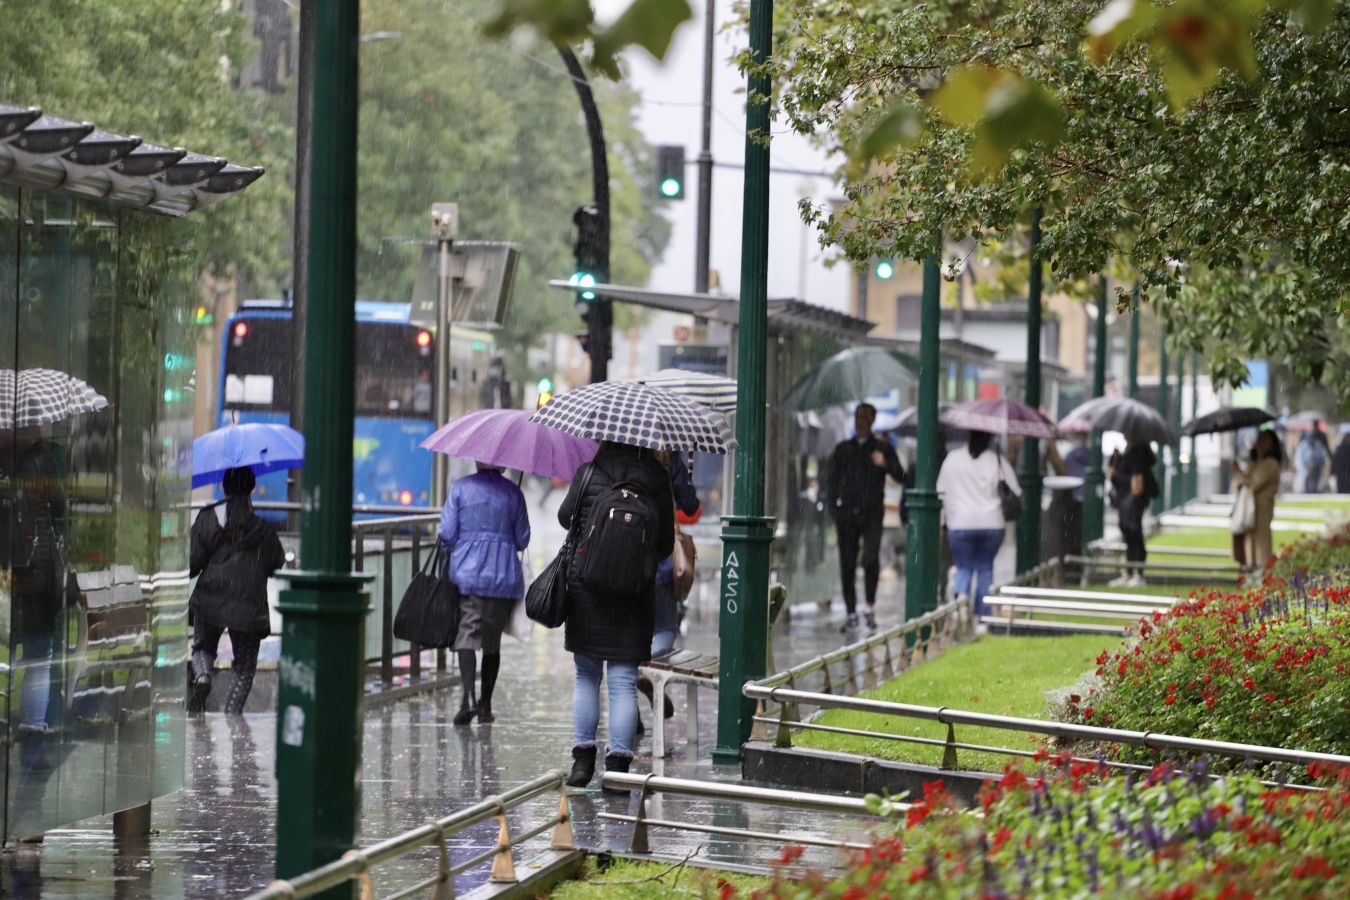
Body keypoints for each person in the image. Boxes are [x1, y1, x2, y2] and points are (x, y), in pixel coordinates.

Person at [559, 441, 674, 792]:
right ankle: (618, 767)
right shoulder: (657, 478)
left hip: (586, 590)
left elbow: (566, 518)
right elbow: (666, 544)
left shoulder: (590, 472)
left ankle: (582, 762)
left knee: (586, 676)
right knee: (623, 681)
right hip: (634, 596)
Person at [437, 461, 530, 726]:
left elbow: (445, 532)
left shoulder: (460, 489)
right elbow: (523, 539)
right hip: (502, 576)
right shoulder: (514, 493)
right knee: (492, 642)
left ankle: (467, 698)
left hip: (467, 575)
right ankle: (485, 705)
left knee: (467, 633)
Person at [189, 467, 286, 714]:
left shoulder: (208, 518)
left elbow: (192, 562)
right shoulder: (262, 528)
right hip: (248, 606)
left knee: (202, 648)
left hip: (210, 598)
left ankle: (202, 678)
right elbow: (277, 562)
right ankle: (232, 715)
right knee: (243, 668)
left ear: (223, 487)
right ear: (252, 488)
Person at [825, 403, 904, 632]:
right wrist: (835, 510)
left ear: (872, 421)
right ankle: (851, 611)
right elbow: (831, 482)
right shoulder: (843, 449)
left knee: (871, 558)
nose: (860, 422)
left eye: (865, 418)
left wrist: (885, 463)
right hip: (847, 514)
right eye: (858, 417)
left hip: (872, 514)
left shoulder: (882, 448)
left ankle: (869, 606)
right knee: (847, 562)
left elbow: (900, 475)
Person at [636, 451, 700, 730]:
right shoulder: (669, 456)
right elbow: (690, 506)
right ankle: (647, 668)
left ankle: (635, 677)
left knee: (625, 638)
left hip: (623, 559)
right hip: (661, 561)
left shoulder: (619, 449)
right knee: (664, 629)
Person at [936, 431, 1019, 619]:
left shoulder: (953, 459)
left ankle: (961, 602)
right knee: (985, 568)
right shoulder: (996, 461)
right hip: (992, 523)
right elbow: (1015, 489)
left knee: (963, 566)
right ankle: (982, 616)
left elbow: (940, 490)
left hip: (959, 523)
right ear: (989, 438)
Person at [1108, 436, 1157, 586]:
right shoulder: (1131, 453)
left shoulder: (1137, 454)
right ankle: (1130, 572)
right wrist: (1116, 459)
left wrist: (1117, 472)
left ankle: (1137, 573)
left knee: (1134, 534)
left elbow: (1137, 484)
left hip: (1132, 502)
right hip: (1127, 501)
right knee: (1130, 535)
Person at [1233, 430, 1283, 569]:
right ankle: (1250, 570)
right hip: (1249, 511)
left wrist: (1240, 474)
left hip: (1261, 511)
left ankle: (1262, 572)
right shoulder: (1254, 463)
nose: (1260, 443)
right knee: (1249, 543)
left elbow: (1253, 483)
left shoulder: (1270, 464)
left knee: (1261, 545)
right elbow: (1240, 484)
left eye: (1264, 440)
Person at [1295, 425, 1329, 494]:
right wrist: (1304, 469)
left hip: (1316, 469)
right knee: (1306, 489)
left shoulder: (1318, 445)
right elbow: (1298, 459)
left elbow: (1322, 457)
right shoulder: (1302, 446)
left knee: (1315, 488)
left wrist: (1316, 462)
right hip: (1305, 470)